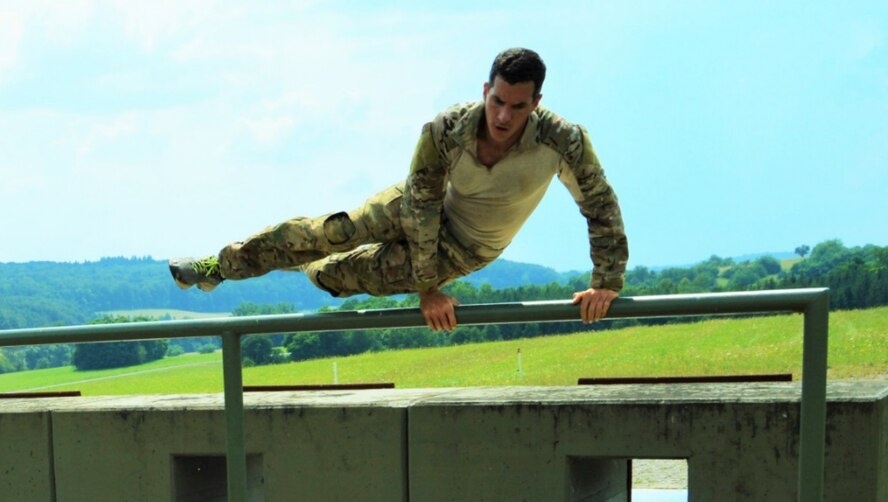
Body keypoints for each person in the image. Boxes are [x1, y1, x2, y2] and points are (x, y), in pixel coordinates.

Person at [170, 48, 628, 332]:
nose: (504, 117)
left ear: (536, 103)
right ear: (485, 90)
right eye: (497, 102)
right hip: (419, 206)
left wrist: (605, 283)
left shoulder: (562, 141)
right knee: (331, 231)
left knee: (336, 275)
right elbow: (422, 205)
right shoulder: (447, 128)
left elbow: (600, 206)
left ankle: (308, 267)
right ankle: (217, 265)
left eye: (518, 107)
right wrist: (427, 288)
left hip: (469, 247)